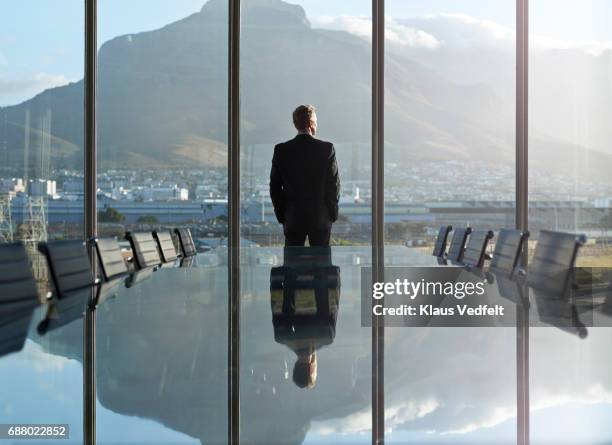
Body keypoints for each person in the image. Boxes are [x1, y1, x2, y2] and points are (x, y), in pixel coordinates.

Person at [269, 105, 340, 247]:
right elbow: (333, 186)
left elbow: (275, 188)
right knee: (321, 264)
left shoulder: (282, 150)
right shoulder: (326, 149)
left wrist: (283, 215)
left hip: (293, 217)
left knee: (292, 264)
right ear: (312, 124)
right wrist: (332, 214)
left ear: (295, 124)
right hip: (321, 216)